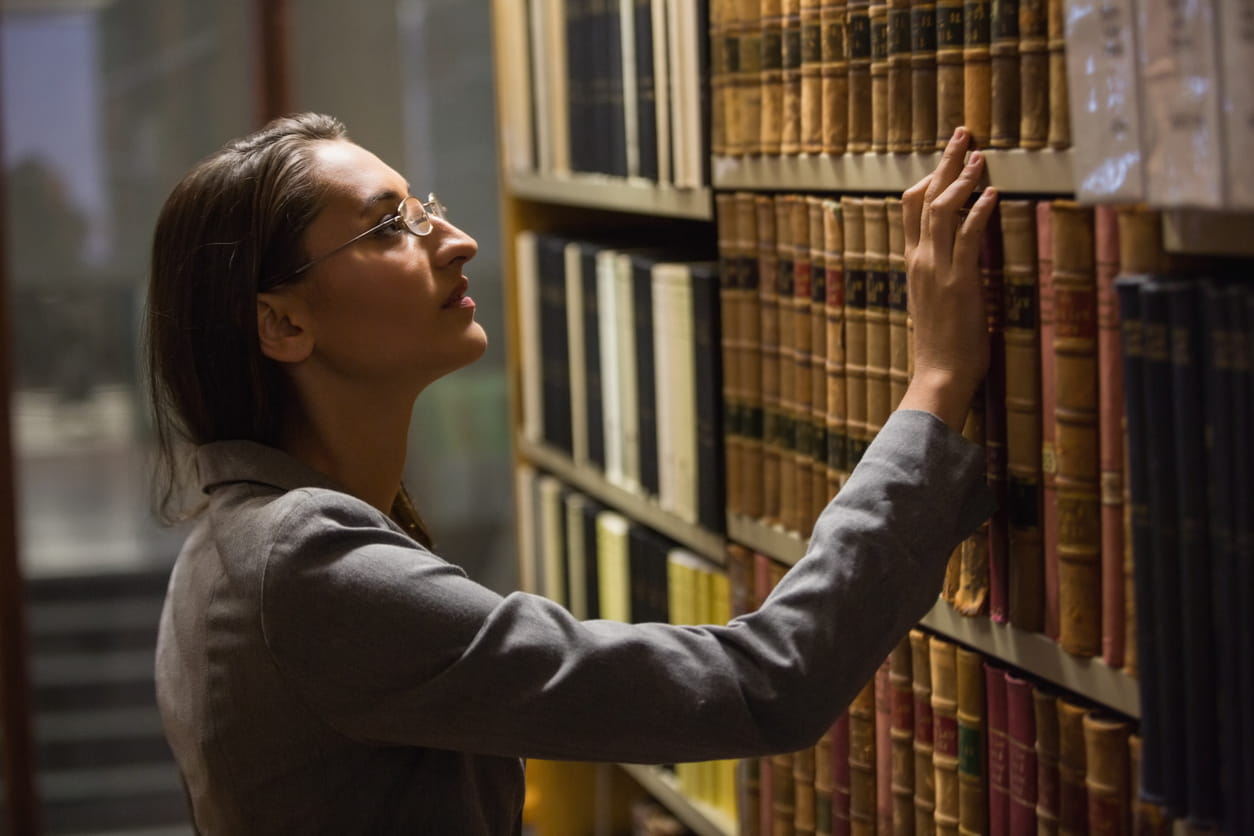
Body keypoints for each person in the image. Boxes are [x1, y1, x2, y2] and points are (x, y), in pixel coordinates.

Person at [147, 112, 998, 834]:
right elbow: (767, 682)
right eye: (390, 227)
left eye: (425, 207)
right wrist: (937, 383)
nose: (459, 240)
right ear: (281, 324)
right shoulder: (300, 565)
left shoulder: (231, 546)